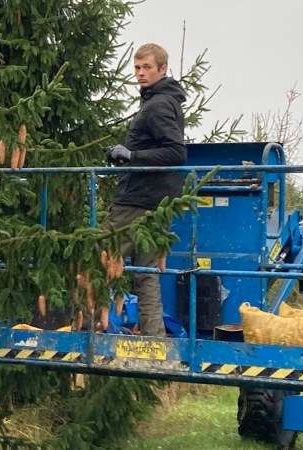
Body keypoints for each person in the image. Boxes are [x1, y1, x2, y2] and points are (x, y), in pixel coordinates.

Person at [102, 43, 188, 337]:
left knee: (97, 259)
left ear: (163, 69)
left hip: (137, 202)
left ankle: (82, 330)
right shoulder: (166, 101)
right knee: (147, 273)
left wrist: (131, 156)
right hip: (158, 203)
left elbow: (176, 152)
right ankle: (155, 339)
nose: (140, 73)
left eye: (147, 67)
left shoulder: (158, 105)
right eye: (137, 68)